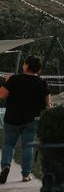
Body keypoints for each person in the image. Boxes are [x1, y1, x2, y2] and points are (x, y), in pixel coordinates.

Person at [0, 55, 51, 184]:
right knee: (28, 146)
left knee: (8, 144)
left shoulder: (14, 79)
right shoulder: (42, 83)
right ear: (38, 69)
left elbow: (2, 95)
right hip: (31, 119)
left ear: (26, 65)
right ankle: (26, 175)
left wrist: (7, 82)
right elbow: (48, 105)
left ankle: (6, 166)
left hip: (11, 118)